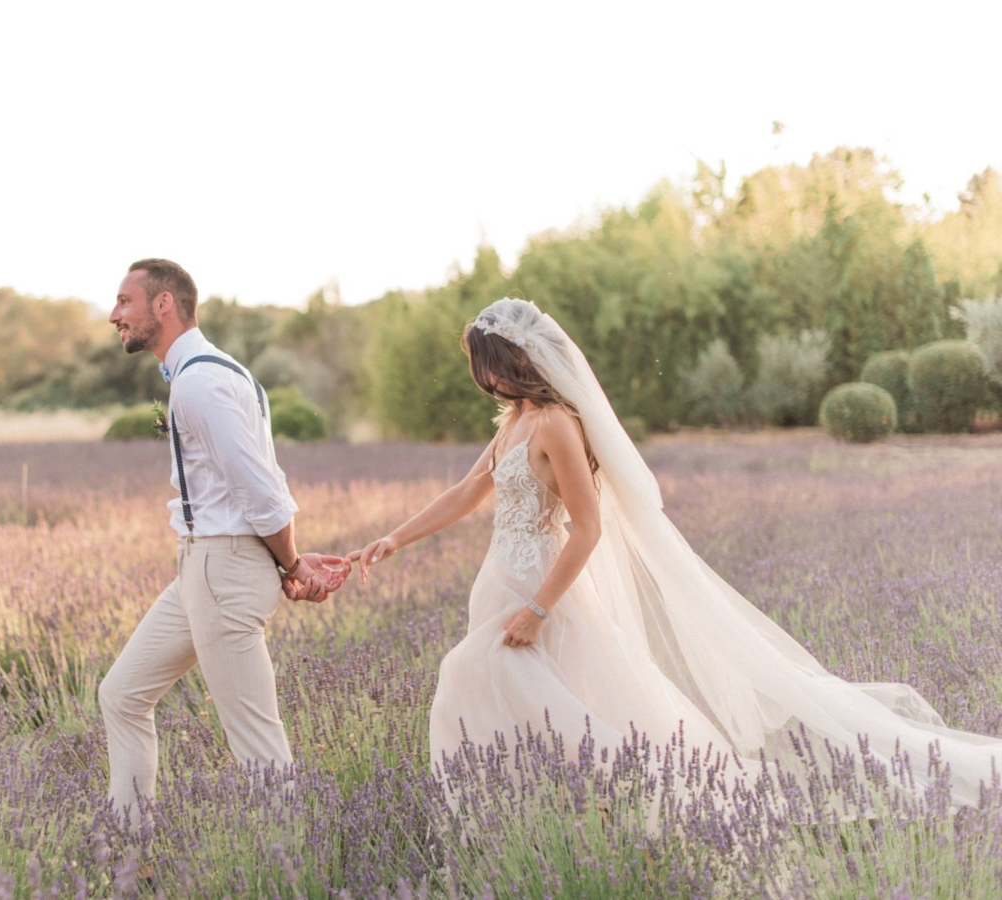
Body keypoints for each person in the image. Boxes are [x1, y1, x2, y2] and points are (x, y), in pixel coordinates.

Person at [348, 296, 1002, 818]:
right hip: (499, 582)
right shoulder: (513, 421)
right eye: (480, 368)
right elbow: (467, 492)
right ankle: (538, 820)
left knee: (495, 685)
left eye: (491, 365)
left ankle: (621, 804)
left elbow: (588, 527)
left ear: (520, 360)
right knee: (526, 705)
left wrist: (540, 609)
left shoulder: (554, 425)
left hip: (543, 589)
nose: (484, 380)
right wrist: (393, 539)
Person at [99, 258, 349, 840]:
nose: (115, 315)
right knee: (122, 694)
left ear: (164, 305)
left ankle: (292, 872)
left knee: (257, 742)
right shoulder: (209, 372)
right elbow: (259, 483)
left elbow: (260, 490)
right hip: (203, 568)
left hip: (223, 569)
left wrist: (290, 563)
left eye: (125, 302)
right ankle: (129, 853)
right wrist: (289, 559)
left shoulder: (202, 382)